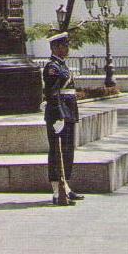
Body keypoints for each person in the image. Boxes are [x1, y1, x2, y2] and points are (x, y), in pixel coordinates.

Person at [43, 31, 84, 205]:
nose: (67, 48)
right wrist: (59, 115)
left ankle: (65, 185)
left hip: (68, 113)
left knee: (67, 151)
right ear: (54, 48)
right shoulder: (52, 67)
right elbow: (52, 93)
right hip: (58, 114)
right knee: (56, 152)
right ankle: (56, 190)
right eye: (64, 46)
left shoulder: (62, 66)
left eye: (67, 45)